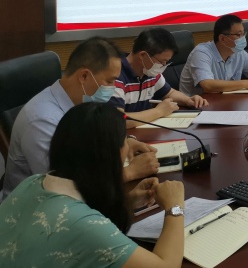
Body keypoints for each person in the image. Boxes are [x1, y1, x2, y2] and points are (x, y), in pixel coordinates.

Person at [0, 102, 185, 268]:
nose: (128, 148)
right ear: (109, 154)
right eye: (125, 142)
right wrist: (175, 207)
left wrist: (128, 201)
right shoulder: (85, 226)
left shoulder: (33, 182)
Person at [2, 38, 158, 200]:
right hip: (33, 207)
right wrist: (129, 172)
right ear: (84, 76)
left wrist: (122, 144)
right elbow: (63, 187)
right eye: (110, 81)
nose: (113, 89)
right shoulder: (42, 120)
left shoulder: (81, 104)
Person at [109, 28, 208, 128]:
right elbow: (118, 120)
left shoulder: (149, 72)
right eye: (162, 61)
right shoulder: (114, 76)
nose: (163, 66)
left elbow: (169, 93)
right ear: (143, 55)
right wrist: (159, 111)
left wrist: (188, 100)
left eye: (166, 62)